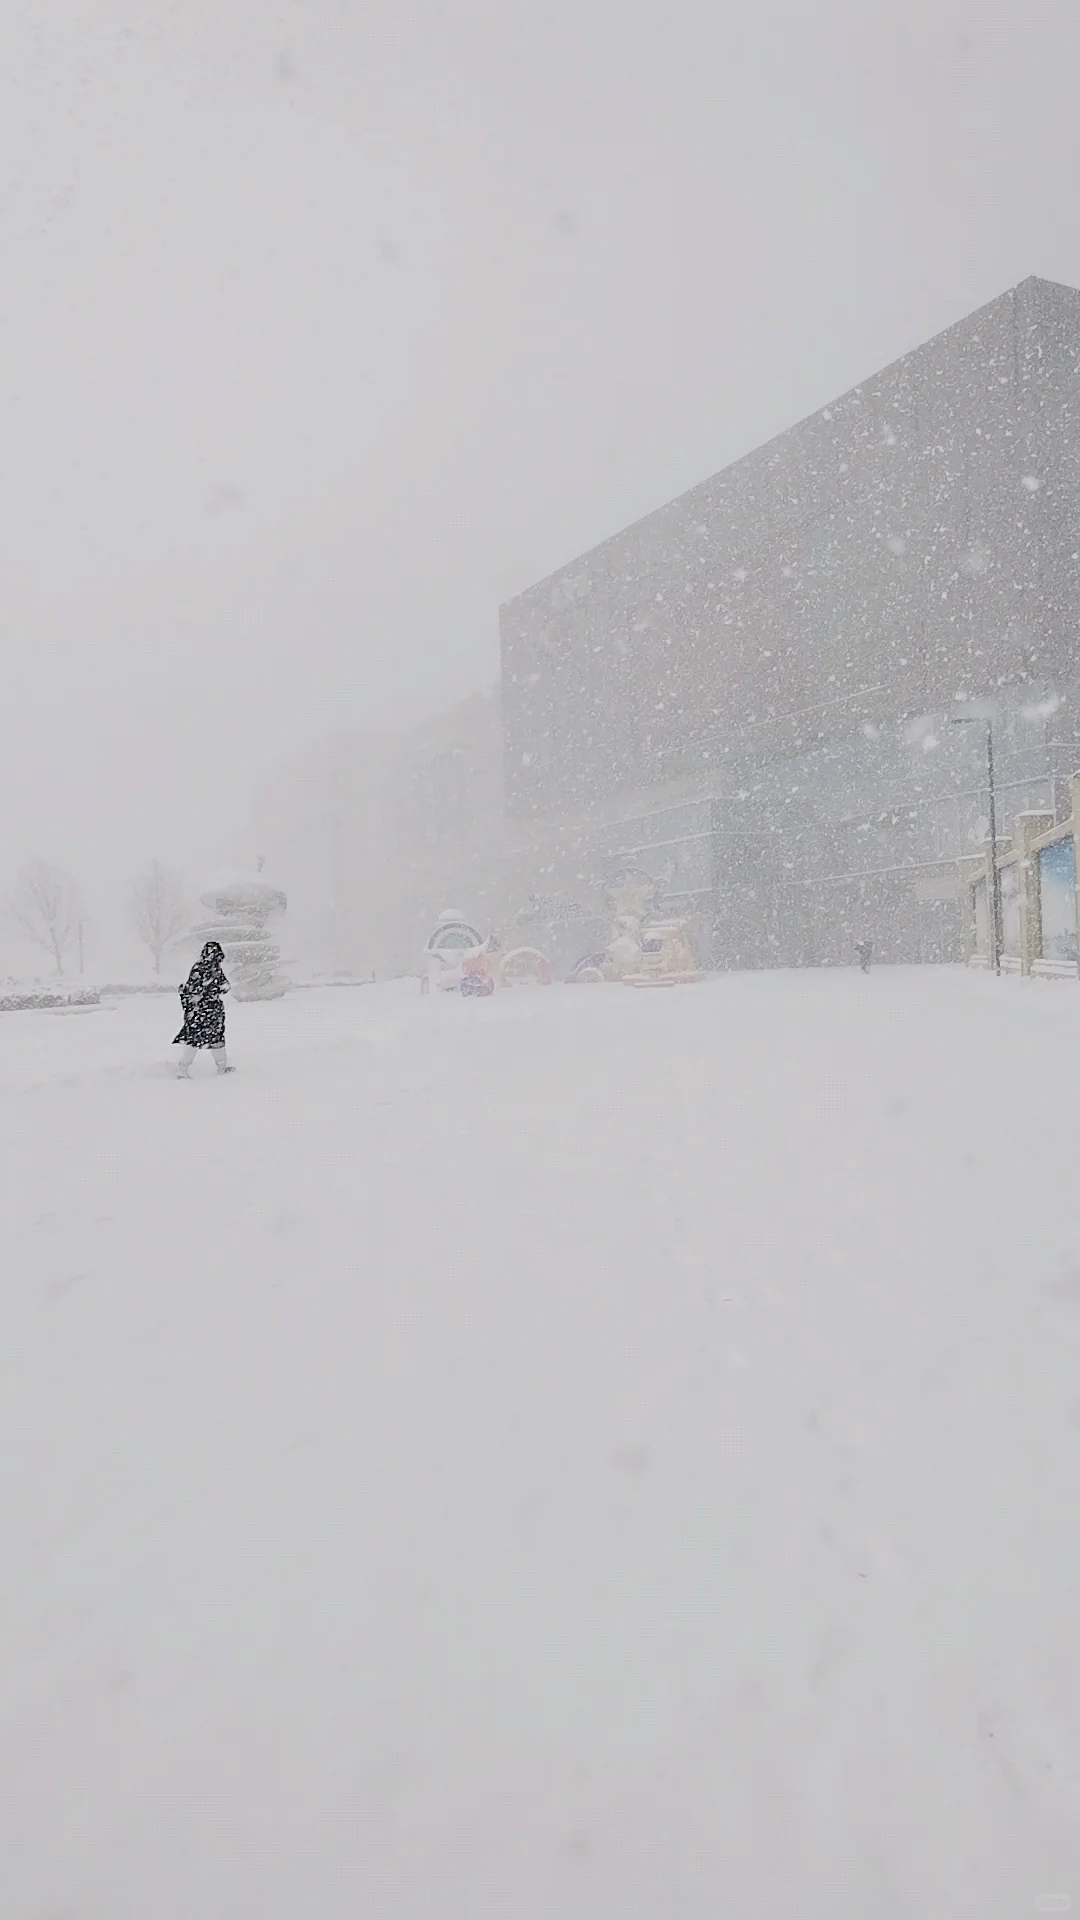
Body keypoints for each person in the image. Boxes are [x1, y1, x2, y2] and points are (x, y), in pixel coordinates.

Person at [173, 941, 233, 1076]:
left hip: (212, 1011)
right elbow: (194, 991)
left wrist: (219, 989)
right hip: (201, 1012)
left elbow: (225, 985)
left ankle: (222, 1067)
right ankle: (182, 1070)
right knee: (195, 1040)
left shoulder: (216, 969)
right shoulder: (199, 969)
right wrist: (209, 993)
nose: (216, 959)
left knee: (216, 1038)